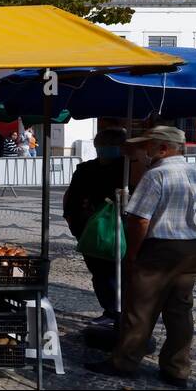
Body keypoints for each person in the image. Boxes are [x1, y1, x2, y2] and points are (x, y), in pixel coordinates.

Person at [86, 126, 196, 388]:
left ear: (163, 149)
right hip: (193, 249)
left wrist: (133, 253)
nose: (145, 152)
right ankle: (177, 369)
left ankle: (124, 362)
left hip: (161, 249)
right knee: (180, 312)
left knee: (140, 309)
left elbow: (139, 220)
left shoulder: (157, 175)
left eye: (148, 146)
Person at [62, 128, 128, 323]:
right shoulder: (90, 169)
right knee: (105, 272)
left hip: (113, 229)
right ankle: (112, 310)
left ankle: (116, 311)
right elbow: (71, 198)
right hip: (97, 229)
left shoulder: (125, 168)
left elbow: (70, 199)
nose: (105, 149)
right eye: (103, 145)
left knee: (111, 272)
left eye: (109, 145)